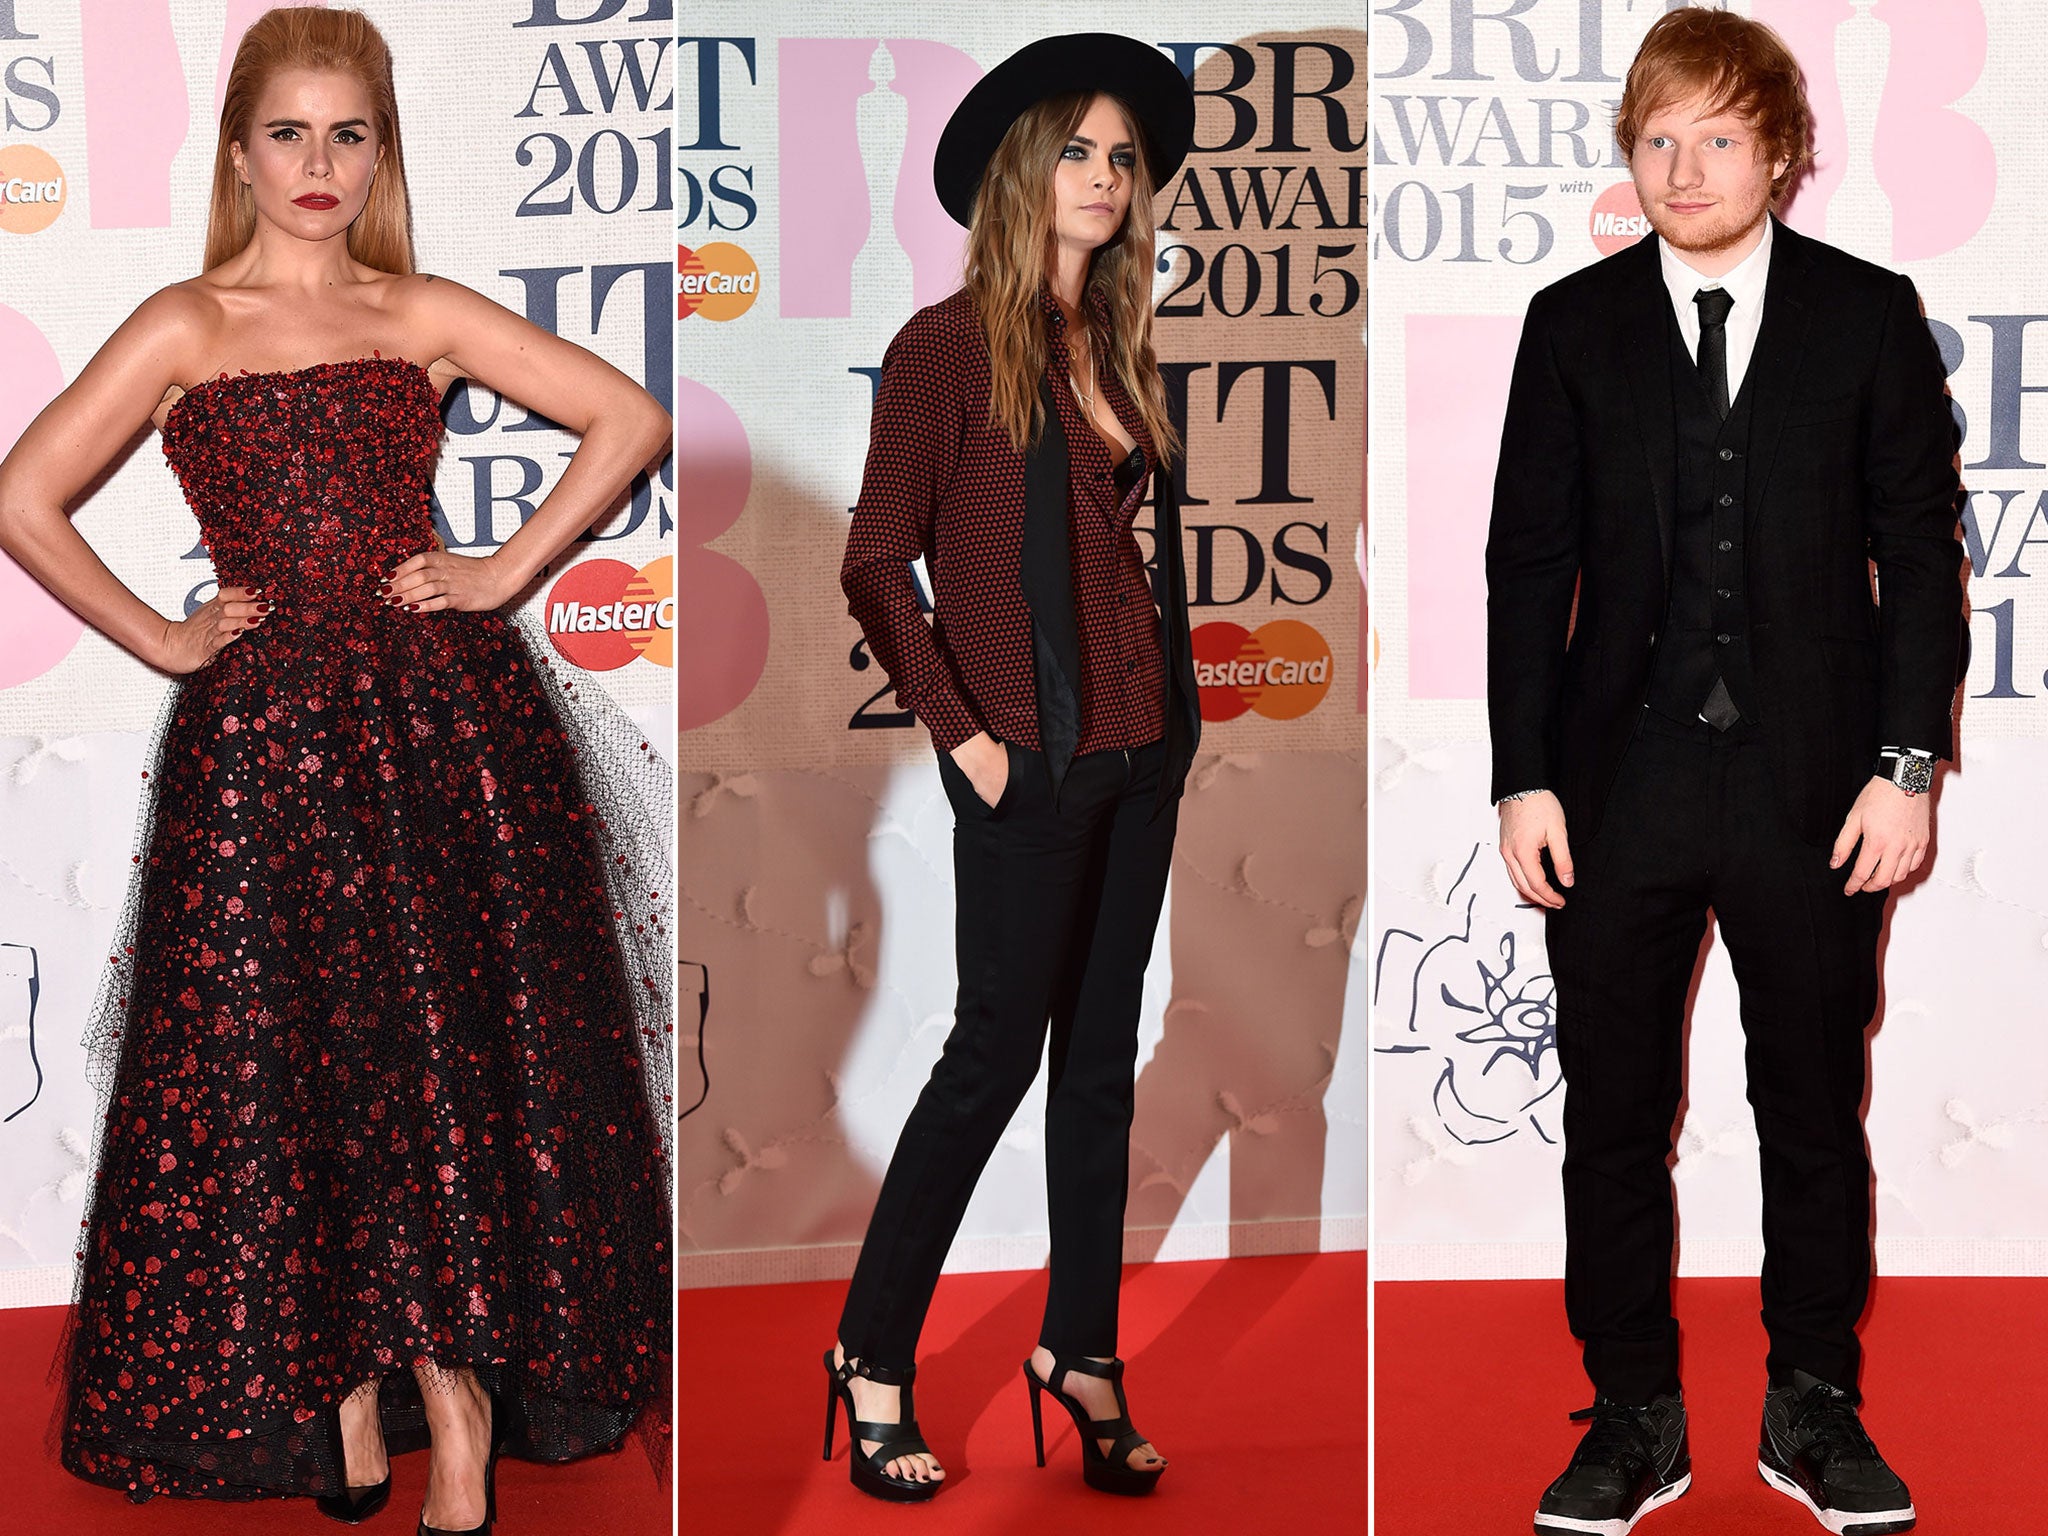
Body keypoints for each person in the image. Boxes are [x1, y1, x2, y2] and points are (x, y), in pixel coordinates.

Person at [0, 11, 674, 1535]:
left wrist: (500, 569)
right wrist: (162, 640)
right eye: (289, 133)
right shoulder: (182, 325)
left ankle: (457, 1401)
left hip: (438, 732)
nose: (318, 165)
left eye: (348, 133)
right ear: (238, 149)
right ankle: (346, 1397)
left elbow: (627, 417)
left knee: (434, 1064)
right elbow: (24, 497)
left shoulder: (419, 307)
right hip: (255, 757)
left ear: (381, 151)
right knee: (292, 1072)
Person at [1485, 11, 1961, 1535]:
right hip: (1611, 787)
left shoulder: (1871, 315)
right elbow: (1525, 567)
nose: (1681, 168)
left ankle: (1812, 1401)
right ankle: (1633, 1410)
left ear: (1782, 150)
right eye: (1655, 139)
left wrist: (1908, 767)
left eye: (1716, 138)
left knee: (1811, 1103)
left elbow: (1918, 564)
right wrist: (1521, 775)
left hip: (1819, 787)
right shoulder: (1571, 322)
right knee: (1616, 1111)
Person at [829, 32, 1200, 1505]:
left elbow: (1118, 558)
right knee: (991, 1058)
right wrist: (965, 734)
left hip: (1141, 754)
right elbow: (875, 562)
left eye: (1123, 157)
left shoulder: (1115, 341)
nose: (1104, 177)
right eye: (1078, 150)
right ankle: (868, 1354)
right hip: (1027, 762)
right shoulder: (942, 345)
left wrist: (1167, 722)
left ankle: (1082, 1352)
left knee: (1098, 1068)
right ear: (1018, 170)